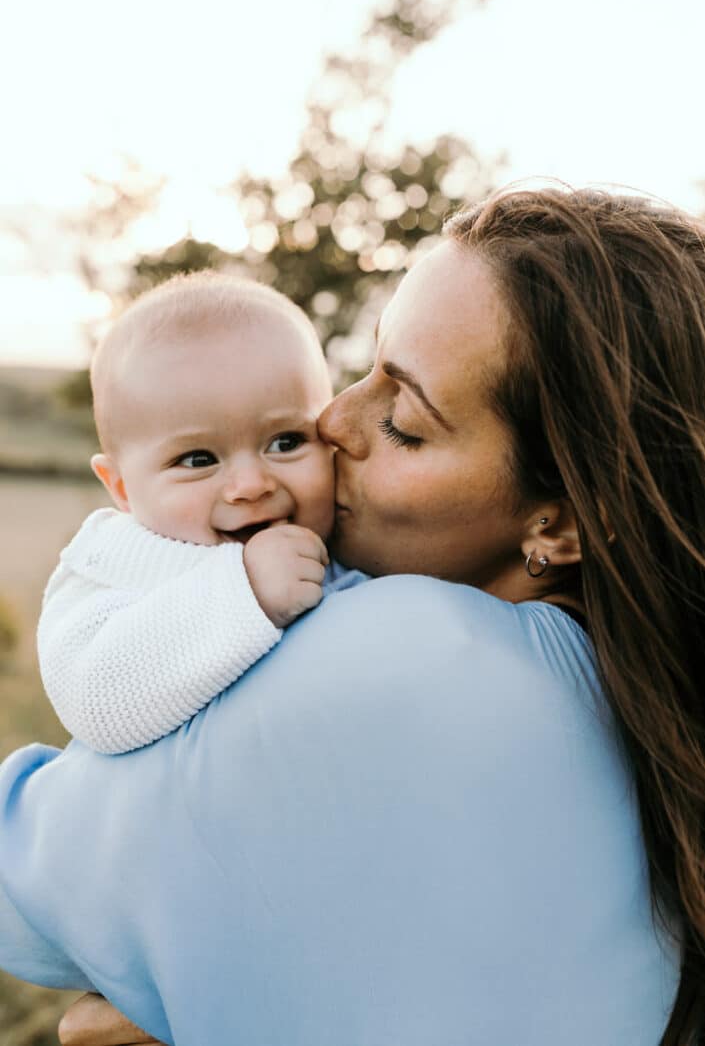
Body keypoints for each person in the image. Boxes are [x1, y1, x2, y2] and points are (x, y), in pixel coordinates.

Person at [0, 185, 702, 1046]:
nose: (332, 420)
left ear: (556, 521)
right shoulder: (633, 708)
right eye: (360, 370)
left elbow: (27, 891)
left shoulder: (410, 657)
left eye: (403, 420)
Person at [37, 273, 352, 754]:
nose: (250, 485)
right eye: (198, 459)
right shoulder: (109, 563)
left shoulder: (350, 539)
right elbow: (93, 701)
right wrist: (245, 594)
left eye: (286, 442)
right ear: (121, 487)